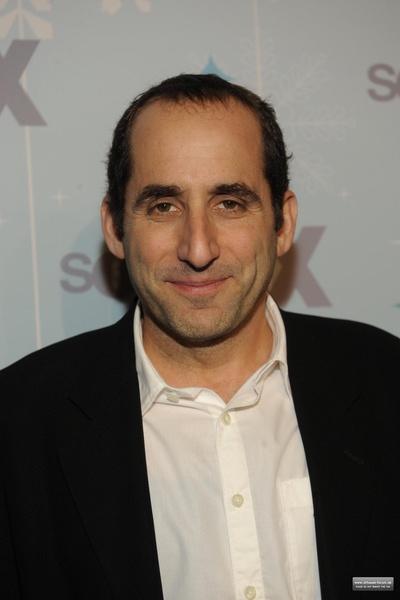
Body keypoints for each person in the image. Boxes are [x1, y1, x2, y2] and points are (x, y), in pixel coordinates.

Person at [0, 74, 399, 600]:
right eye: (163, 205)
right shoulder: (17, 425)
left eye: (229, 203)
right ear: (115, 228)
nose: (198, 248)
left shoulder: (387, 382)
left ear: (282, 224)